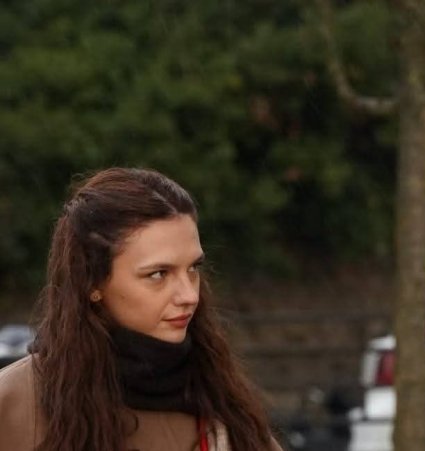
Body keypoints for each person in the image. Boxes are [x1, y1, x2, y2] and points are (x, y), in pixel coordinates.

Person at [0, 168, 284, 451]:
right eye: (158, 274)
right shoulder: (15, 406)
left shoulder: (227, 410)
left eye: (193, 268)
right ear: (93, 282)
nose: (189, 295)